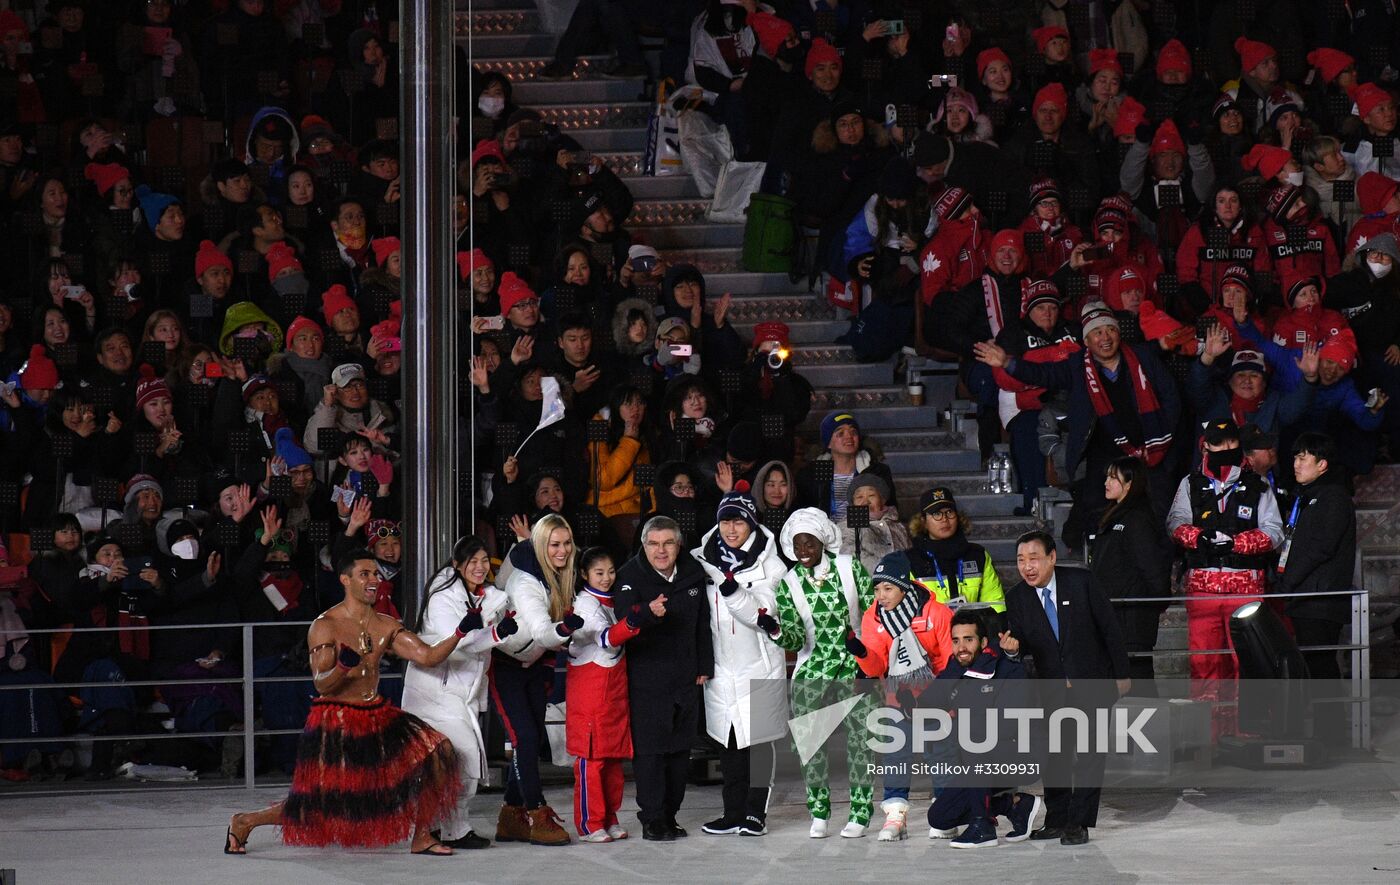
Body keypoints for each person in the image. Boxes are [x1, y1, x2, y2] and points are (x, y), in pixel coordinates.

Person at [224, 549, 487, 857]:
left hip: (377, 714)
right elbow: (322, 684)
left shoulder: (385, 624)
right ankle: (245, 821)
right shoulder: (326, 625)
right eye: (365, 574)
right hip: (337, 719)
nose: (374, 580)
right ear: (345, 580)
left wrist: (459, 632)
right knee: (320, 803)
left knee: (440, 751)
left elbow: (427, 656)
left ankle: (422, 835)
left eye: (375, 574)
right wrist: (343, 667)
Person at [999, 530, 1130, 846]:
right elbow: (1021, 644)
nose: (1027, 567)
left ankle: (1079, 822)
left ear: (1052, 557)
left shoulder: (1081, 582)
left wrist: (1122, 674)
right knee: (1055, 755)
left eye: (1034, 558)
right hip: (1051, 690)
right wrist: (1012, 650)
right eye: (1021, 560)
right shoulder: (1017, 597)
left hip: (1093, 682)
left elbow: (1110, 629)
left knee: (1089, 754)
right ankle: (1057, 819)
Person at [401, 537, 518, 851]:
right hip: (434, 692)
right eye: (472, 561)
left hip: (459, 693)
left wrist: (498, 631)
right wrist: (494, 634)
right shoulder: (443, 598)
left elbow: (478, 642)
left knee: (450, 763)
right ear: (456, 564)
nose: (480, 567)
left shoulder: (485, 597)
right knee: (463, 756)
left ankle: (442, 827)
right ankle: (449, 828)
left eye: (484, 560)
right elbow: (456, 647)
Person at [1166, 421, 1283, 734]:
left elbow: (1275, 532)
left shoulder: (1258, 484)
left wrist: (1237, 543)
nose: (1225, 449)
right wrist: (1198, 538)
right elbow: (1175, 523)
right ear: (1205, 446)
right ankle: (1207, 736)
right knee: (1204, 664)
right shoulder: (1189, 484)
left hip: (1245, 588)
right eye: (1218, 443)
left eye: (1231, 442)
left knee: (1247, 662)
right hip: (1202, 590)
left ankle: (1246, 733)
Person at [765, 507, 875, 839]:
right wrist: (775, 630)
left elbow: (872, 612)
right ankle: (819, 812)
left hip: (855, 663)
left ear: (822, 541)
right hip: (813, 666)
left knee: (861, 741)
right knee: (809, 742)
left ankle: (860, 812)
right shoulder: (788, 583)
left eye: (809, 543)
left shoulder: (848, 567)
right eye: (797, 545)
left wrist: (869, 654)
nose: (803, 551)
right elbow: (796, 639)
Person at [691, 484, 788, 837]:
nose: (731, 529)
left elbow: (762, 612)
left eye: (739, 522)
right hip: (720, 667)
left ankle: (755, 814)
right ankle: (732, 813)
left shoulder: (772, 564)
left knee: (758, 742)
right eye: (725, 521)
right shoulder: (700, 560)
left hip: (761, 664)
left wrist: (731, 589)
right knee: (728, 742)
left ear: (751, 523)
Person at [613, 516, 713, 841]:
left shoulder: (693, 572)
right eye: (654, 544)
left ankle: (670, 815)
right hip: (646, 679)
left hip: (686, 676)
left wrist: (704, 663)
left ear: (678, 545)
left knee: (681, 750)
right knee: (651, 752)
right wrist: (647, 612)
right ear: (643, 545)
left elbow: (702, 623)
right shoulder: (629, 576)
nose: (661, 550)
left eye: (668, 543)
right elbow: (623, 620)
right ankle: (652, 819)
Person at [846, 552, 952, 842]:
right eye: (877, 589)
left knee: (940, 757)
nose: (880, 596)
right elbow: (877, 666)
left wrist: (937, 697)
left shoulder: (936, 613)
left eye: (888, 588)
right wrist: (860, 652)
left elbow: (949, 661)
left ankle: (945, 815)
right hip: (898, 698)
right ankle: (895, 816)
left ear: (904, 587)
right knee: (896, 755)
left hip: (937, 697)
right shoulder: (873, 617)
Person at [494, 513, 581, 847]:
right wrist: (568, 629)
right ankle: (536, 811)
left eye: (566, 543)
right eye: (554, 545)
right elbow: (544, 631)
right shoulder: (526, 582)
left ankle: (510, 815)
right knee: (526, 738)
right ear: (540, 545)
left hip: (536, 662)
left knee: (532, 737)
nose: (562, 550)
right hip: (506, 664)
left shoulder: (561, 573)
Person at [923, 608, 1043, 849]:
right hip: (979, 762)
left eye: (968, 639)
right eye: (956, 641)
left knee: (976, 739)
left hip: (1022, 755)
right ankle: (1015, 806)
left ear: (984, 642)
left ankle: (982, 826)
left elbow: (1009, 725)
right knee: (939, 817)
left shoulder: (1007, 668)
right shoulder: (956, 670)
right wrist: (956, 672)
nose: (961, 647)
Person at [566, 547, 640, 842]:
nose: (607, 578)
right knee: (592, 758)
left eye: (610, 572)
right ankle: (589, 823)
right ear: (585, 574)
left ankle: (609, 817)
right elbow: (606, 639)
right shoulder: (585, 605)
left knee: (612, 759)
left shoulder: (613, 601)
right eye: (599, 573)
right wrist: (634, 621)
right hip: (591, 690)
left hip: (614, 690)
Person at [1274, 433, 1355, 682]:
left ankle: (1329, 710)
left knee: (1320, 667)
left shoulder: (1334, 496)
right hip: (1306, 598)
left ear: (1322, 464)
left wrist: (1289, 581)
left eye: (1303, 458)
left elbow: (1322, 547)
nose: (1296, 464)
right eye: (1295, 458)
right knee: (1311, 667)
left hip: (1320, 601)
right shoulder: (1308, 496)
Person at [1090, 457, 1171, 695]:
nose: (1106, 482)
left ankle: (1148, 720)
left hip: (1132, 618)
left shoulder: (1137, 518)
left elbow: (1152, 566)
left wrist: (1157, 600)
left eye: (1113, 478)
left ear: (1130, 483)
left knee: (1138, 680)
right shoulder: (1113, 516)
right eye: (1107, 476)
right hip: (1114, 615)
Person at [903, 487, 1005, 612]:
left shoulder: (978, 555)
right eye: (937, 514)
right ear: (923, 521)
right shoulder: (910, 560)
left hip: (973, 624)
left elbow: (995, 602)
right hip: (930, 625)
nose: (945, 519)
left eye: (949, 512)